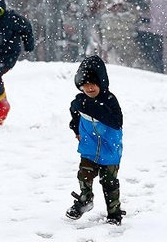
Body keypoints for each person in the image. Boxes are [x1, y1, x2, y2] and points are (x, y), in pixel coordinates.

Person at [66, 55, 124, 225]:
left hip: (109, 149)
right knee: (84, 175)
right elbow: (74, 113)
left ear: (101, 83)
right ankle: (85, 200)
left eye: (93, 83)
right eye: (85, 84)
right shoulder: (79, 101)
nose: (89, 88)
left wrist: (93, 107)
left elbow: (116, 121)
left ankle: (114, 213)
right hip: (89, 147)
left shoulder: (109, 100)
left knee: (109, 182)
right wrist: (76, 129)